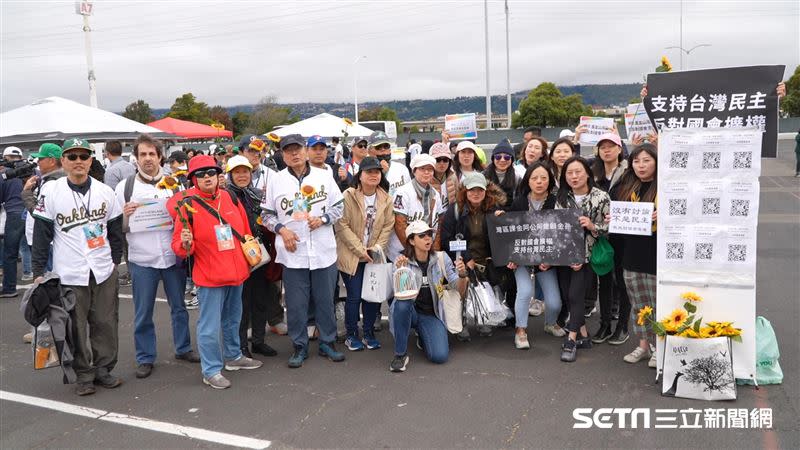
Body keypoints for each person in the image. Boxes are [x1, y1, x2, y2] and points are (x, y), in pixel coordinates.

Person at [31, 138, 125, 395]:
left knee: (105, 322)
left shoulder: (105, 191)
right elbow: (42, 233)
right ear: (63, 161)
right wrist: (38, 271)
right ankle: (83, 374)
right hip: (70, 272)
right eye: (72, 157)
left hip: (103, 269)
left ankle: (104, 368)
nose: (78, 162)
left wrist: (115, 260)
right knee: (74, 325)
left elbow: (116, 230)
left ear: (91, 161)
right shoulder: (51, 191)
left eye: (84, 156)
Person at [170, 154, 263, 389]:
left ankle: (233, 357)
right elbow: (180, 248)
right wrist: (185, 243)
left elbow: (244, 228)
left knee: (233, 319)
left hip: (237, 271)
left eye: (211, 173)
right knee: (209, 326)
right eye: (201, 175)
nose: (207, 177)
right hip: (210, 276)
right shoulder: (187, 205)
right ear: (193, 179)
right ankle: (211, 369)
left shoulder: (230, 197)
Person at [115, 134, 199, 379]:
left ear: (160, 156)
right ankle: (145, 357)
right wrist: (125, 216)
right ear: (136, 157)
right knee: (143, 312)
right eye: (143, 154)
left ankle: (183, 348)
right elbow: (116, 226)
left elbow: (188, 217)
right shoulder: (125, 187)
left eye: (152, 154)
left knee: (179, 308)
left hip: (173, 258)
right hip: (142, 260)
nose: (148, 158)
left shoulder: (175, 184)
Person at [262, 134, 346, 368]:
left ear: (305, 150)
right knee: (297, 305)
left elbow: (340, 207)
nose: (294, 154)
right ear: (282, 154)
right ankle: (299, 346)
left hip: (323, 251)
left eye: (297, 148)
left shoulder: (324, 176)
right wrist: (281, 229)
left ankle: (327, 342)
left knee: (325, 301)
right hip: (293, 253)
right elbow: (266, 215)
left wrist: (324, 219)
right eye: (288, 150)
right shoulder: (276, 180)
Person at [389, 221, 468, 372]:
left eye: (429, 235)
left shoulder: (440, 259)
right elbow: (398, 293)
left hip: (431, 314)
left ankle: (423, 335)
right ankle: (400, 355)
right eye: (422, 236)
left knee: (440, 356)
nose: (428, 239)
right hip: (410, 311)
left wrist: (463, 275)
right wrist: (402, 270)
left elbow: (457, 288)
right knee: (402, 305)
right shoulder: (401, 261)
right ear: (411, 241)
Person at [554, 156, 610, 362]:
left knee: (577, 297)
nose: (574, 176)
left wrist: (592, 226)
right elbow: (557, 229)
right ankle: (584, 337)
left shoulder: (601, 197)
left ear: (588, 173)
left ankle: (571, 339)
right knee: (568, 297)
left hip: (587, 257)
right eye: (569, 173)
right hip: (565, 256)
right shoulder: (561, 197)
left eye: (578, 172)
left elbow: (610, 230)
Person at [335, 156, 394, 351]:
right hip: (351, 254)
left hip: (374, 255)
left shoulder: (386, 198)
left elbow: (388, 226)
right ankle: (352, 334)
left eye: (377, 172)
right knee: (354, 295)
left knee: (371, 295)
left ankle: (368, 332)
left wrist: (375, 249)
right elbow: (341, 225)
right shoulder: (348, 195)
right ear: (360, 175)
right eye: (369, 172)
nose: (373, 175)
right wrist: (361, 250)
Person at [505, 162, 566, 346]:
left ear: (550, 180)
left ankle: (550, 323)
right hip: (522, 259)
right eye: (534, 178)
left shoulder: (557, 202)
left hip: (546, 260)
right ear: (528, 181)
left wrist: (551, 260)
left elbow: (561, 235)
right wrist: (512, 257)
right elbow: (510, 232)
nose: (539, 182)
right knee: (524, 292)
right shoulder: (519, 202)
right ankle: (520, 330)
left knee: (555, 302)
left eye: (543, 178)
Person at [440, 172, 507, 341]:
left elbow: (502, 236)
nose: (476, 193)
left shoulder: (494, 209)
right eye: (471, 190)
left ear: (486, 191)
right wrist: (465, 257)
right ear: (465, 191)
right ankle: (461, 321)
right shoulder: (455, 211)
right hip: (462, 259)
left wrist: (502, 220)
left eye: (480, 190)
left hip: (486, 259)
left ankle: (482, 319)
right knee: (462, 292)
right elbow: (446, 239)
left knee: (484, 289)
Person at [224, 155, 279, 359]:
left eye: (245, 171)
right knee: (242, 303)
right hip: (238, 256)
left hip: (261, 255)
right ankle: (240, 345)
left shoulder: (256, 194)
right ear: (230, 174)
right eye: (237, 172)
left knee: (261, 299)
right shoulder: (224, 197)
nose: (241, 175)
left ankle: (258, 341)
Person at [610, 144, 659, 368]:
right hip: (631, 254)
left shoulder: (666, 188)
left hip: (656, 255)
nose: (641, 165)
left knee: (657, 303)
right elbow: (613, 211)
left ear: (657, 162)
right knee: (638, 303)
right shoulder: (625, 186)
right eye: (637, 161)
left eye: (647, 160)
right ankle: (643, 345)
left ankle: (660, 346)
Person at [588, 133, 630, 344]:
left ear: (620, 149)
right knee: (603, 278)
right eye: (602, 146)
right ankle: (605, 323)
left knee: (622, 281)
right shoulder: (593, 172)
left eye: (611, 146)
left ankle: (622, 325)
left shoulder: (629, 170)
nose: (606, 150)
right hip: (600, 232)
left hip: (623, 232)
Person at [388, 154, 446, 261]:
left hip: (426, 250)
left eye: (430, 169)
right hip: (403, 251)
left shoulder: (435, 194)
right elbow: (399, 225)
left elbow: (439, 224)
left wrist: (435, 250)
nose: (426, 172)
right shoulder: (403, 192)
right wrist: (413, 251)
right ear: (414, 171)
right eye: (422, 169)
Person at [1, 146, 26, 298]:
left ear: (6, 158)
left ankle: (10, 288)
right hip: (33, 211)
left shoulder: (4, 174)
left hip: (14, 213)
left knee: (10, 252)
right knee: (41, 250)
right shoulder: (33, 170)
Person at [368, 131, 409, 196]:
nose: (383, 149)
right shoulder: (364, 171)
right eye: (378, 147)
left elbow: (409, 192)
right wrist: (381, 173)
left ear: (390, 149)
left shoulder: (402, 168)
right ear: (369, 151)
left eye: (386, 146)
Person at [483, 140, 520, 209]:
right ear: (493, 158)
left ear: (511, 160)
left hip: (510, 214)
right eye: (498, 157)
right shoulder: (483, 176)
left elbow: (518, 200)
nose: (502, 160)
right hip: (488, 214)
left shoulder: (517, 177)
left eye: (507, 157)